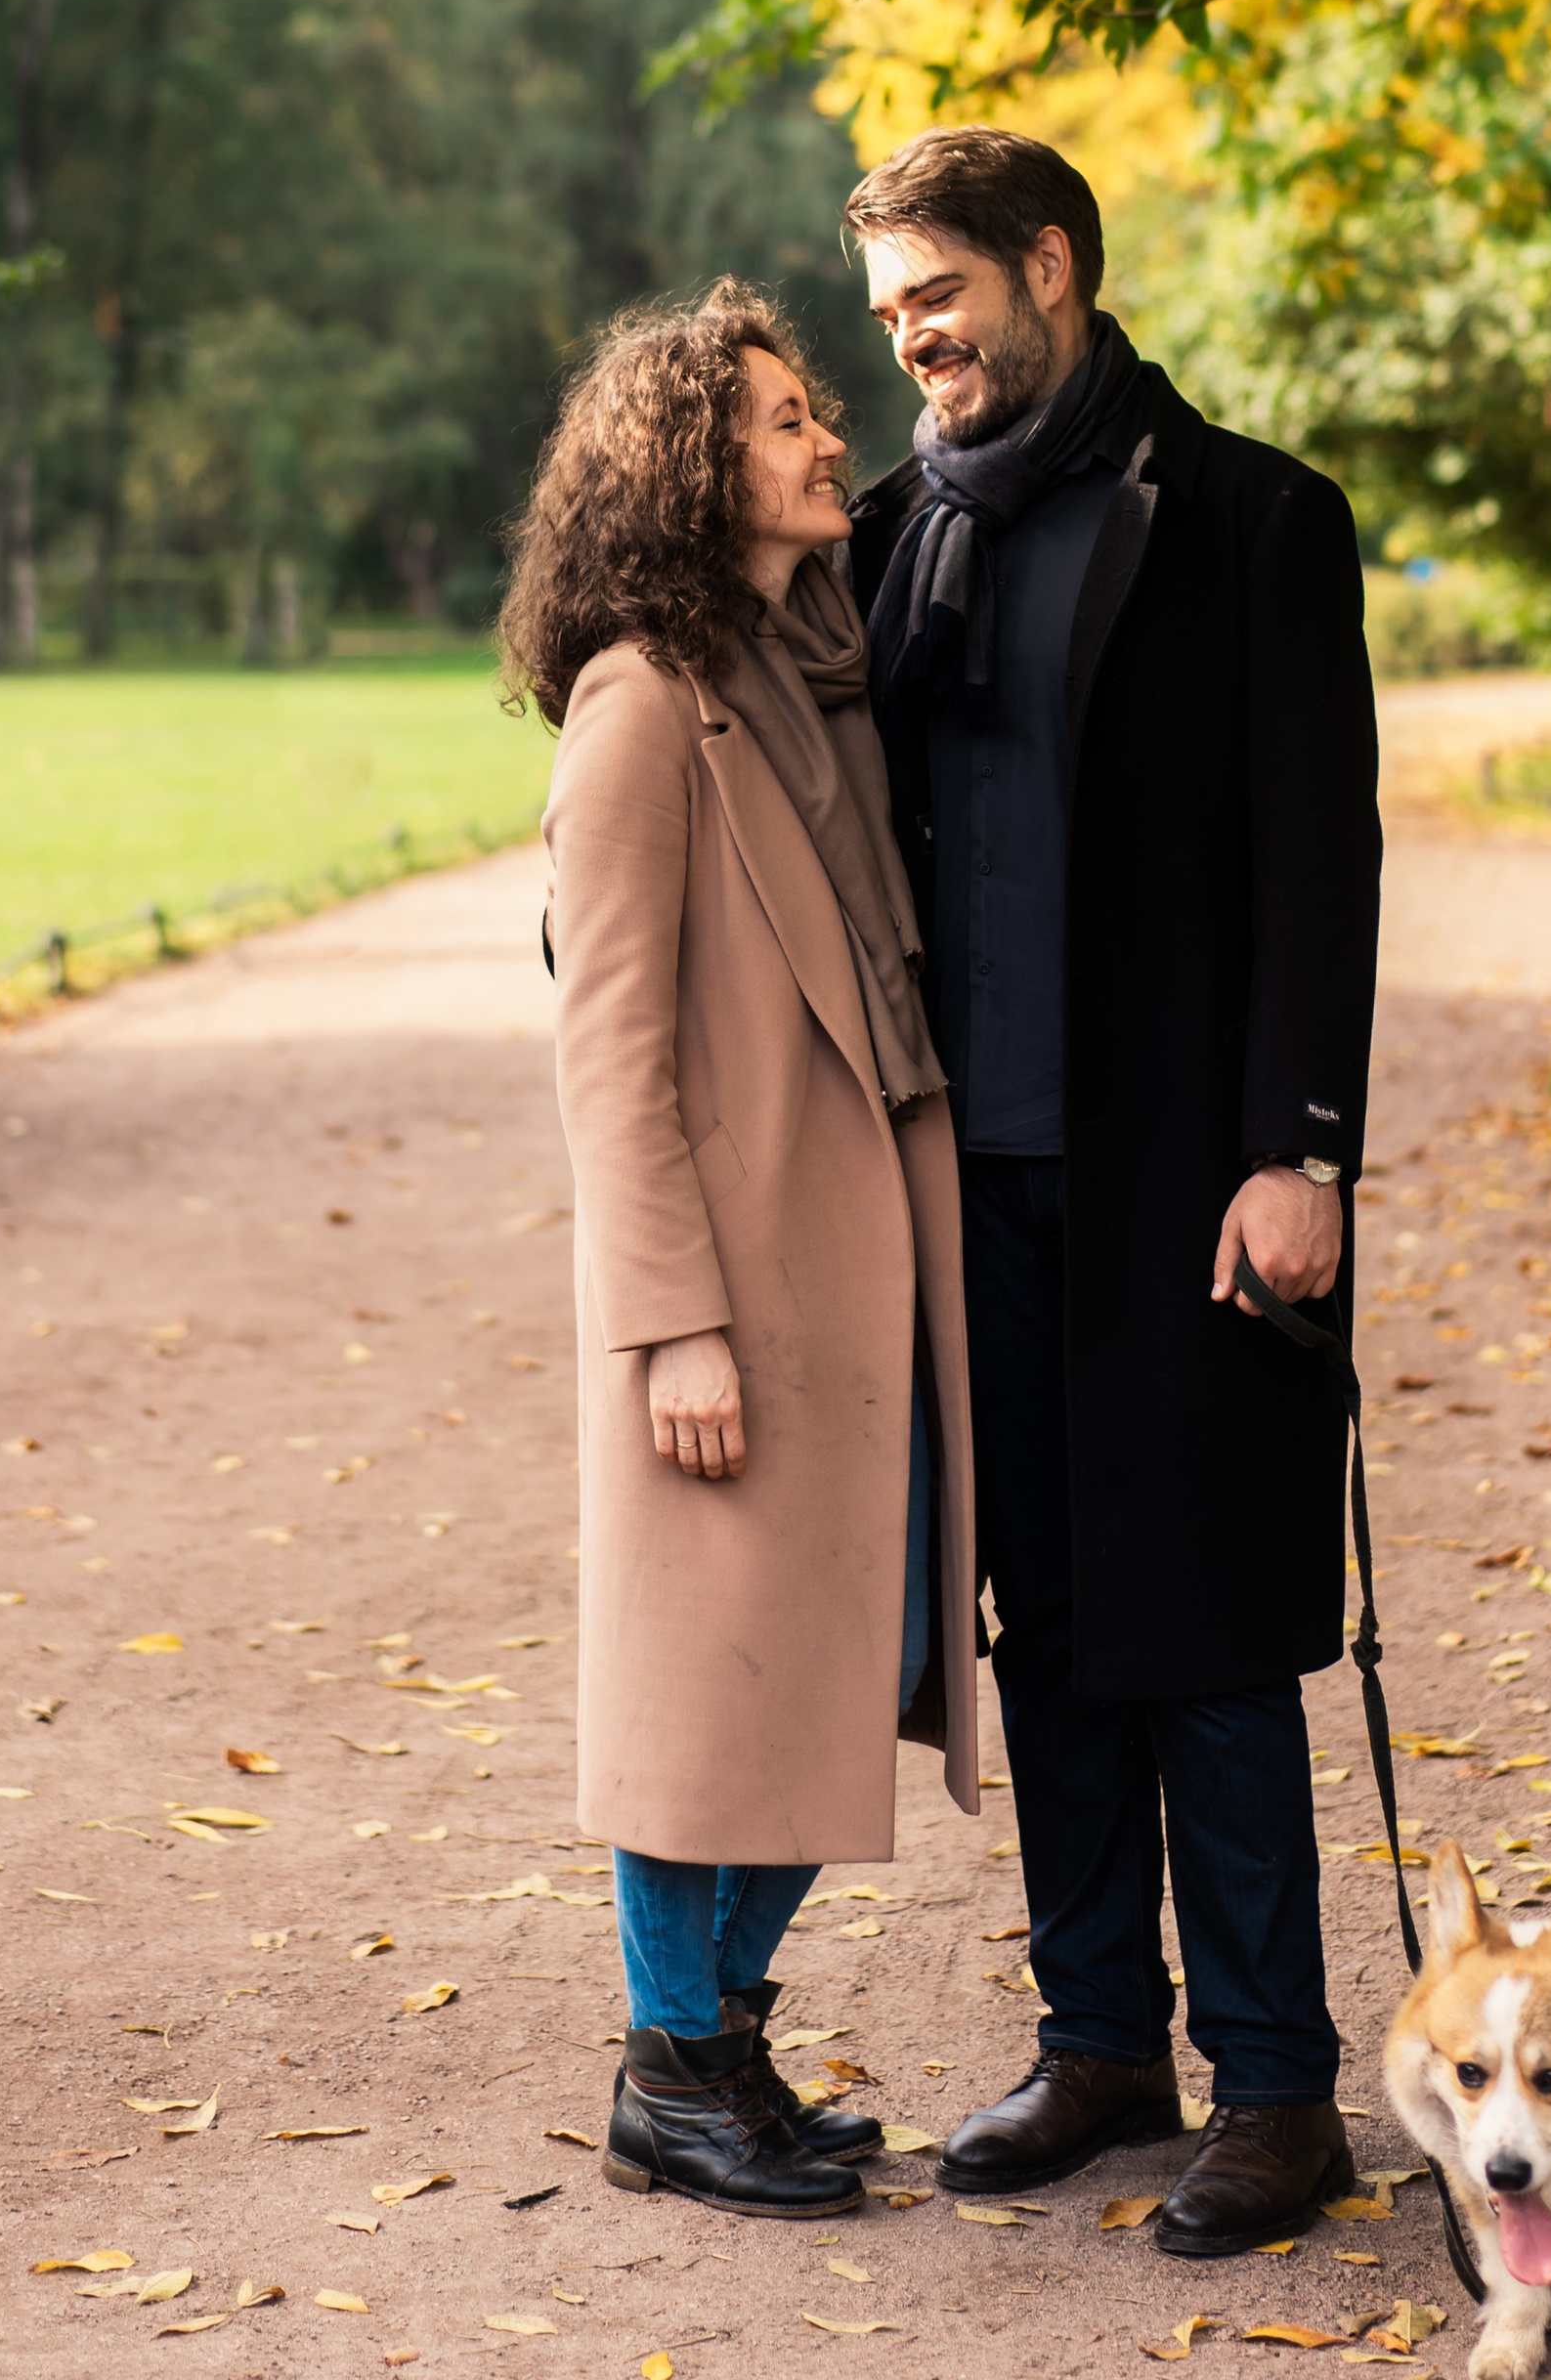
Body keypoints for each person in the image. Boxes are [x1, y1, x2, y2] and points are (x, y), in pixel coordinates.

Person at [842, 126, 1383, 2260]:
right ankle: (1098, 2048)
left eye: (937, 301)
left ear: (1048, 265)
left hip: (1193, 1182)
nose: (914, 348)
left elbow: (1313, 863)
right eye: (887, 320)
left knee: (1213, 1635)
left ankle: (1275, 2086)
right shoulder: (889, 537)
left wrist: (1298, 1153)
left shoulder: (1253, 519)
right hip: (966, 1189)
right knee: (1046, 1627)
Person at [502, 282, 977, 2221]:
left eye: (814, 411)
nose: (822, 439)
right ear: (693, 463)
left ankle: (712, 2047)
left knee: (837, 1654)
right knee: (707, 1683)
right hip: (728, 1291)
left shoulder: (797, 674)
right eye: (782, 418)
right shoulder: (637, 705)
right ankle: (673, 2072)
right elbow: (602, 1056)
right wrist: (670, 1330)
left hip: (844, 1270)